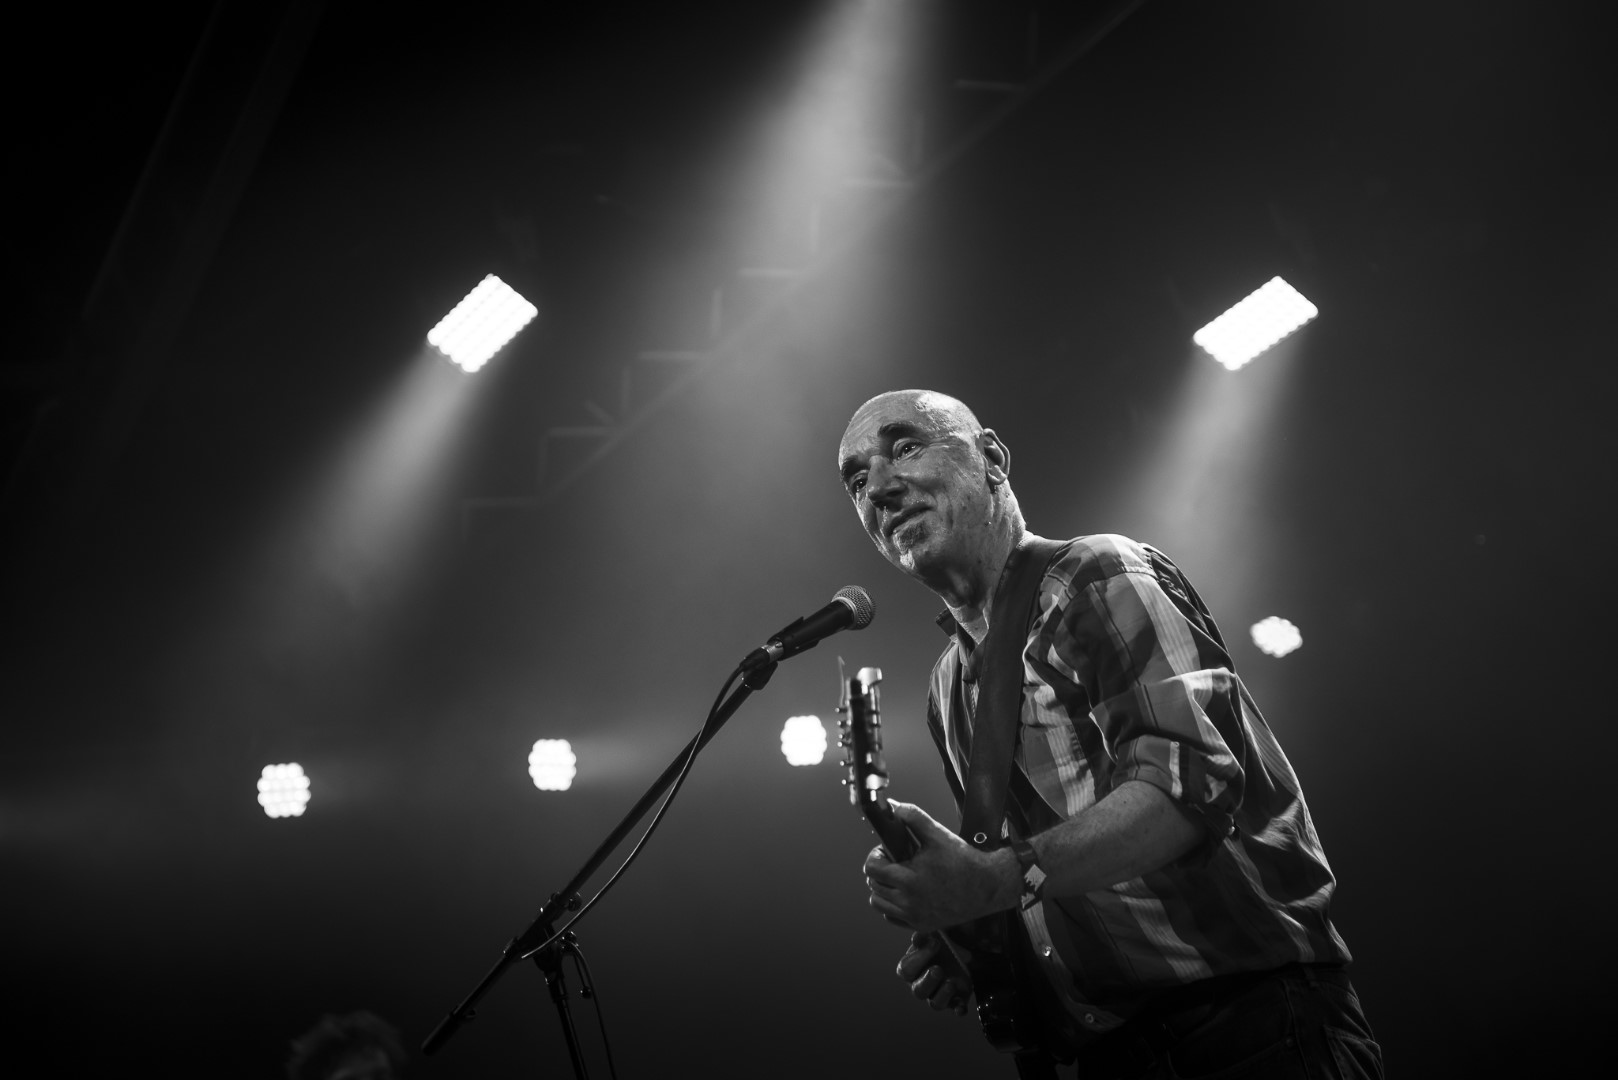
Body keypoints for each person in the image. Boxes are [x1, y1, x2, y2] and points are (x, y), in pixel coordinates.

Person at [837, 389, 1383, 1078]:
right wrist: (978, 937)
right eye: (857, 480)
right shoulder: (948, 686)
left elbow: (1187, 790)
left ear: (993, 459)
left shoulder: (1094, 576)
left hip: (1248, 1027)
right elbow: (1044, 874)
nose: (878, 488)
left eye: (906, 446)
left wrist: (995, 881)